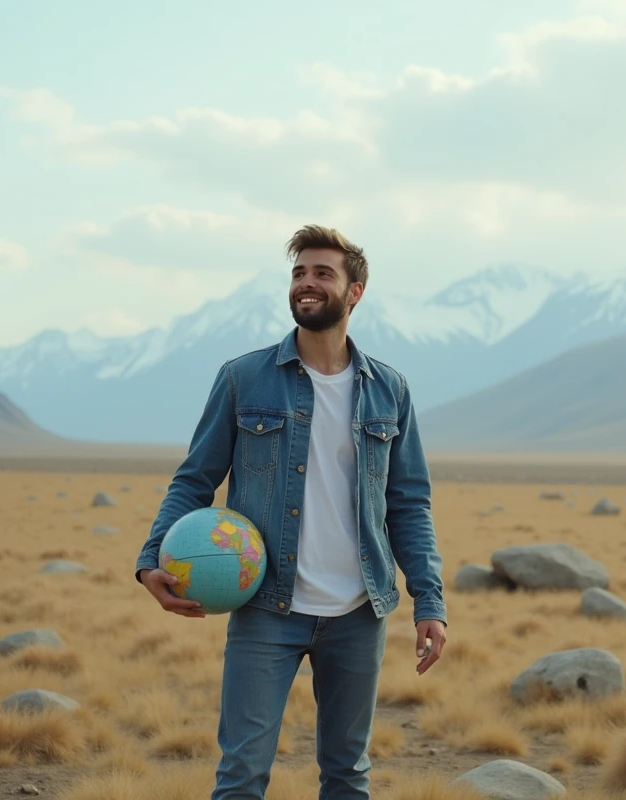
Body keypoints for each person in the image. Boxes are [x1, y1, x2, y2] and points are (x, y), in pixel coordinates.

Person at [133, 224, 448, 800]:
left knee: (348, 776)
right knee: (241, 776)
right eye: (299, 273)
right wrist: (151, 560)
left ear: (354, 293)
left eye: (322, 273)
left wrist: (429, 600)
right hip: (267, 607)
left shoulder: (389, 390)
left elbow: (408, 504)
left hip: (359, 611)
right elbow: (194, 479)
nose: (306, 283)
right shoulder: (243, 377)